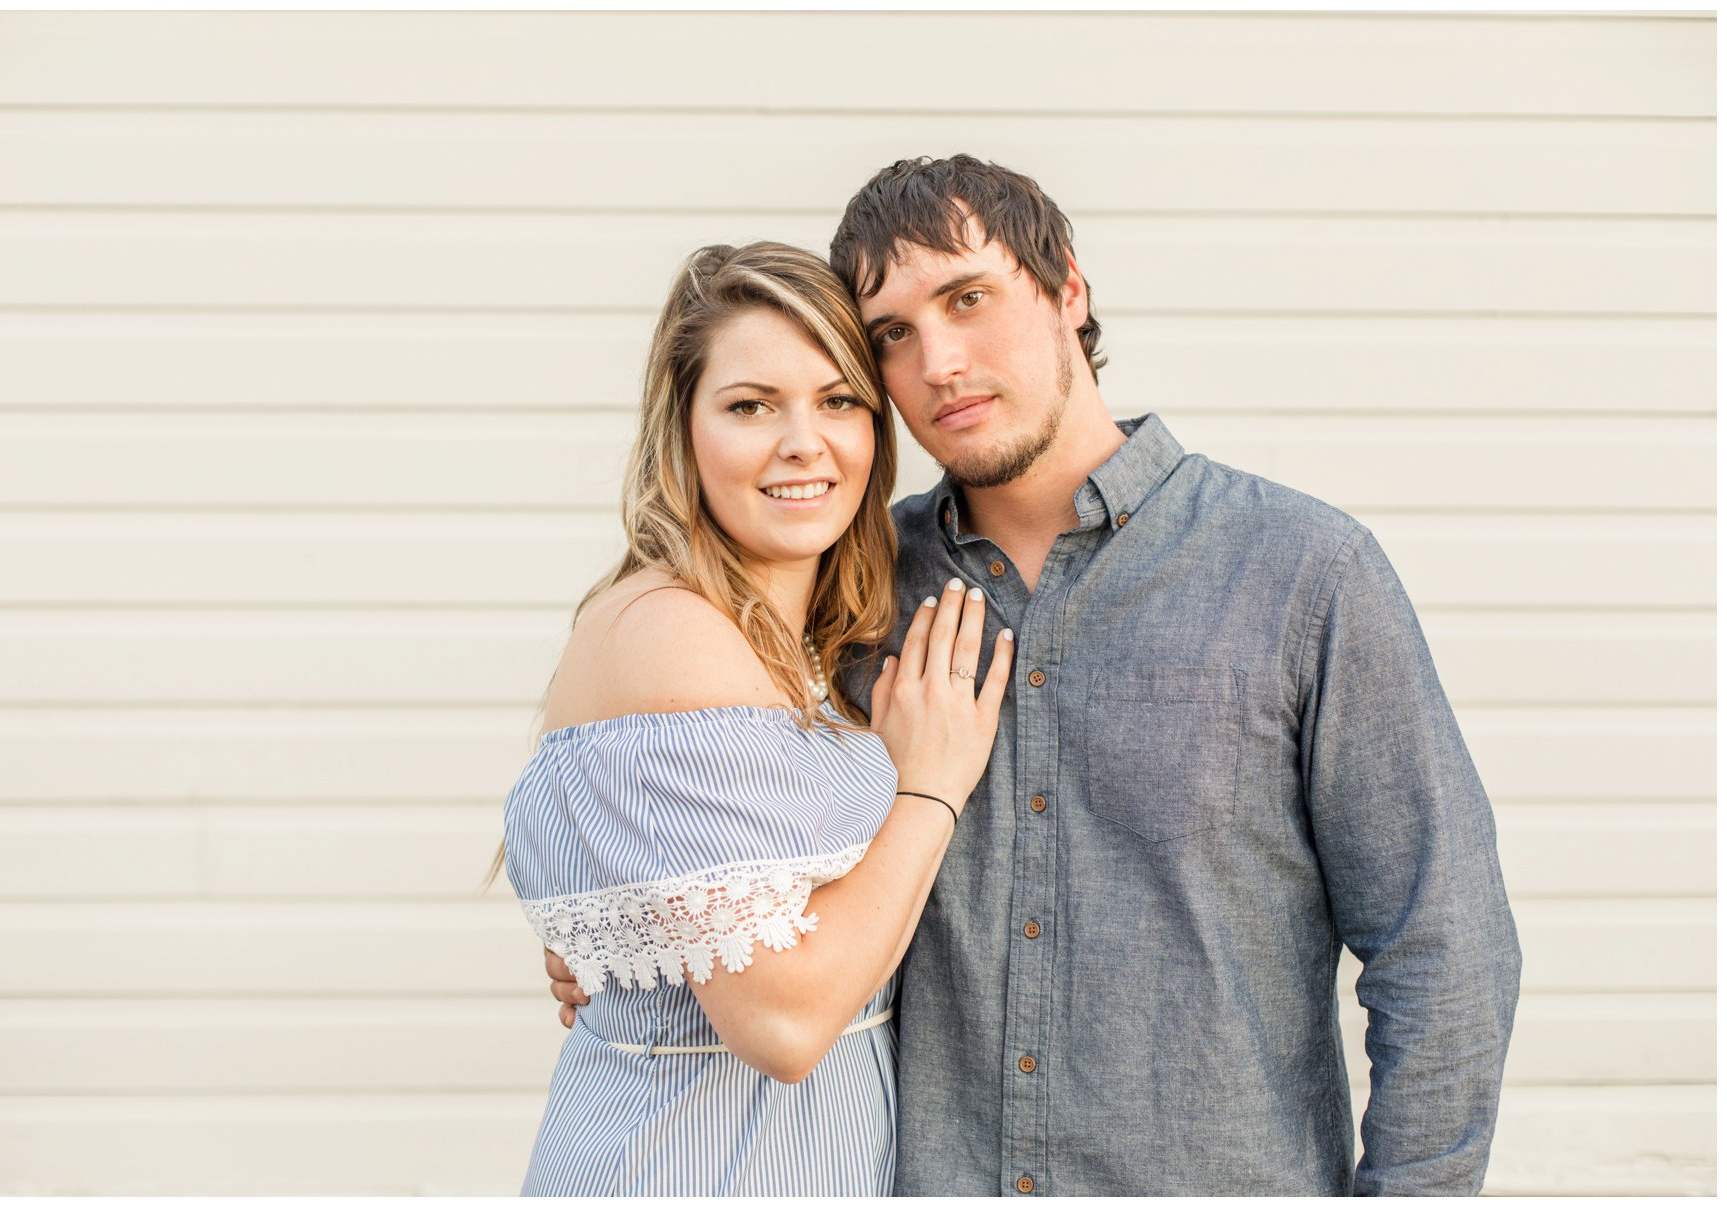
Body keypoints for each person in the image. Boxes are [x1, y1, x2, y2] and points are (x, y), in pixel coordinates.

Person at [549, 158, 1523, 1196]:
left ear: (1069, 291)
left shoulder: (1303, 573)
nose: (940, 360)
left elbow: (1443, 948)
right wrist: (631, 933)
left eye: (968, 298)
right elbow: (722, 856)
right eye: (893, 335)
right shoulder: (848, 593)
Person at [496, 241, 1013, 1195]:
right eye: (750, 405)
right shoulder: (673, 634)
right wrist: (930, 785)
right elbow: (781, 1024)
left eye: (837, 400)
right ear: (682, 427)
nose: (802, 442)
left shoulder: (787, 640)